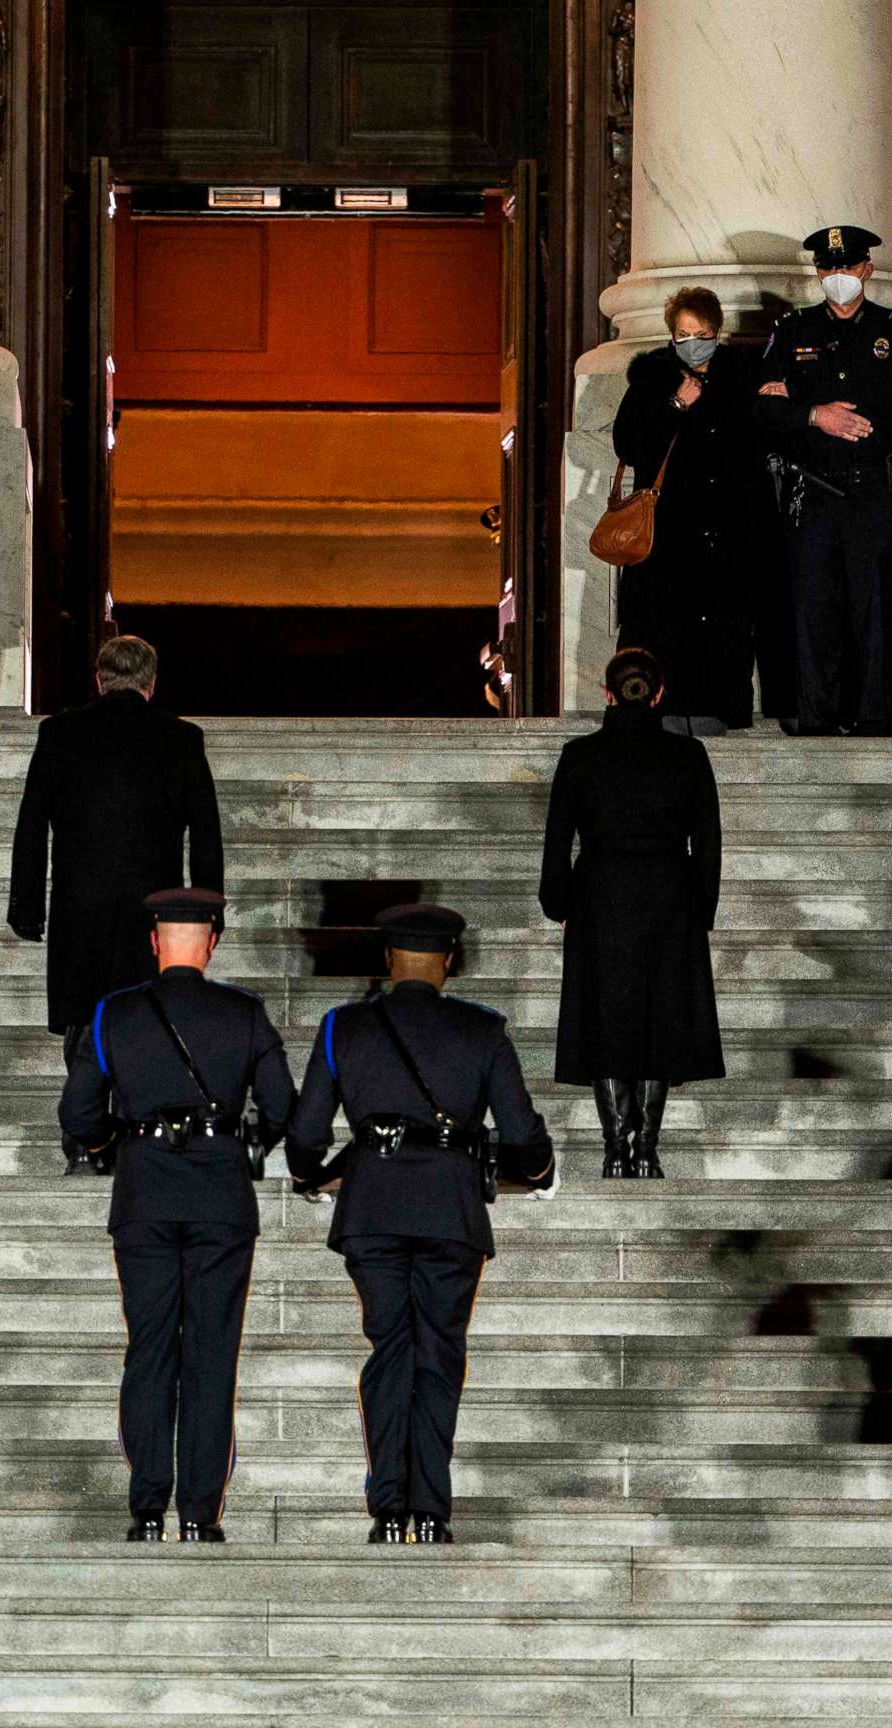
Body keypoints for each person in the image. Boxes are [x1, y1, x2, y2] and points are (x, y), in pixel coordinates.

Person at [285, 904, 557, 1544]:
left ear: (387, 961)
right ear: (451, 961)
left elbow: (304, 1133)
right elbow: (521, 1134)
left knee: (390, 1351)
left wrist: (314, 1173)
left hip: (373, 1208)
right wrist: (539, 1168)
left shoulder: (342, 1027)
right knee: (438, 1355)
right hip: (450, 1212)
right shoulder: (482, 1030)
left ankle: (386, 1511)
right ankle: (431, 1512)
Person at [58, 889, 294, 1542]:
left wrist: (120, 1138)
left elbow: (77, 1117)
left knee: (151, 1349)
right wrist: (244, 1144)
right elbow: (281, 1107)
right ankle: (199, 1514)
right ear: (213, 942)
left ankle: (146, 1510)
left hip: (144, 1197)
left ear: (154, 941)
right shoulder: (243, 1014)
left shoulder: (115, 1016)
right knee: (212, 1355)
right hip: (220, 1197)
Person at [537, 648, 722, 1177]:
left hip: (601, 894)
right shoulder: (688, 756)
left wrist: (559, 902)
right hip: (670, 895)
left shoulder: (580, 755)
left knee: (607, 1017)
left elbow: (557, 842)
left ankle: (617, 1147)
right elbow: (707, 843)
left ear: (608, 693)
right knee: (660, 1017)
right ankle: (646, 1148)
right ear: (659, 694)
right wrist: (700, 909)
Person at [753, 224, 892, 736]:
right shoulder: (792, 331)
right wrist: (813, 415)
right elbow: (765, 409)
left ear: (867, 270)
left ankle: (873, 717)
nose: (839, 276)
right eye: (829, 268)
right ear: (818, 273)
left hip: (874, 490)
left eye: (848, 267)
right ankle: (818, 719)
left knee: (873, 609)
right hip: (812, 491)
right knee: (814, 611)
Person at [8, 635, 225, 1066]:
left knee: (85, 1036)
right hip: (153, 911)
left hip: (79, 907)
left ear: (99, 679)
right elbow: (205, 834)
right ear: (152, 681)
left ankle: (85, 1129)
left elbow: (32, 824)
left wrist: (26, 907)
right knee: (146, 1030)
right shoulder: (181, 739)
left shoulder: (59, 734)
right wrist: (207, 913)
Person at [609, 285, 783, 729]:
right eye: (684, 333)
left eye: (702, 332)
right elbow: (630, 444)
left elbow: (760, 442)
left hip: (729, 530)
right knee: (666, 627)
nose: (693, 342)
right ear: (672, 335)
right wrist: (674, 406)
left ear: (716, 331)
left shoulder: (742, 379)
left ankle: (722, 714)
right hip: (669, 533)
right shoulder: (651, 380)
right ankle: (659, 710)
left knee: (726, 629)